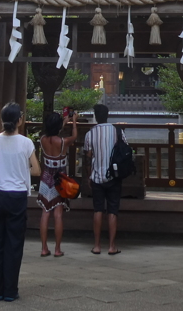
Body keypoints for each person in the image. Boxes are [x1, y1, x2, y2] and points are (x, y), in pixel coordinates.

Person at [0, 102, 40, 302]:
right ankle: (10, 290)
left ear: (2, 120)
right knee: (14, 244)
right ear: (20, 120)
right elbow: (36, 171)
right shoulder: (26, 143)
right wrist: (22, 166)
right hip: (17, 196)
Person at [82, 102, 124, 255]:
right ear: (107, 116)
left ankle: (97, 245)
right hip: (114, 176)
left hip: (97, 176)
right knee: (113, 210)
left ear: (95, 117)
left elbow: (87, 158)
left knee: (98, 209)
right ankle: (112, 246)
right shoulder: (117, 131)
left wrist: (89, 175)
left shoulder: (90, 134)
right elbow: (126, 149)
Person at [37, 110, 78, 257]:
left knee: (45, 213)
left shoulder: (42, 139)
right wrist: (73, 122)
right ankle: (57, 249)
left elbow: (54, 131)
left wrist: (63, 121)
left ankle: (43, 248)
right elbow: (74, 136)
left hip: (45, 178)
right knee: (58, 214)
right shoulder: (63, 142)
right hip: (59, 180)